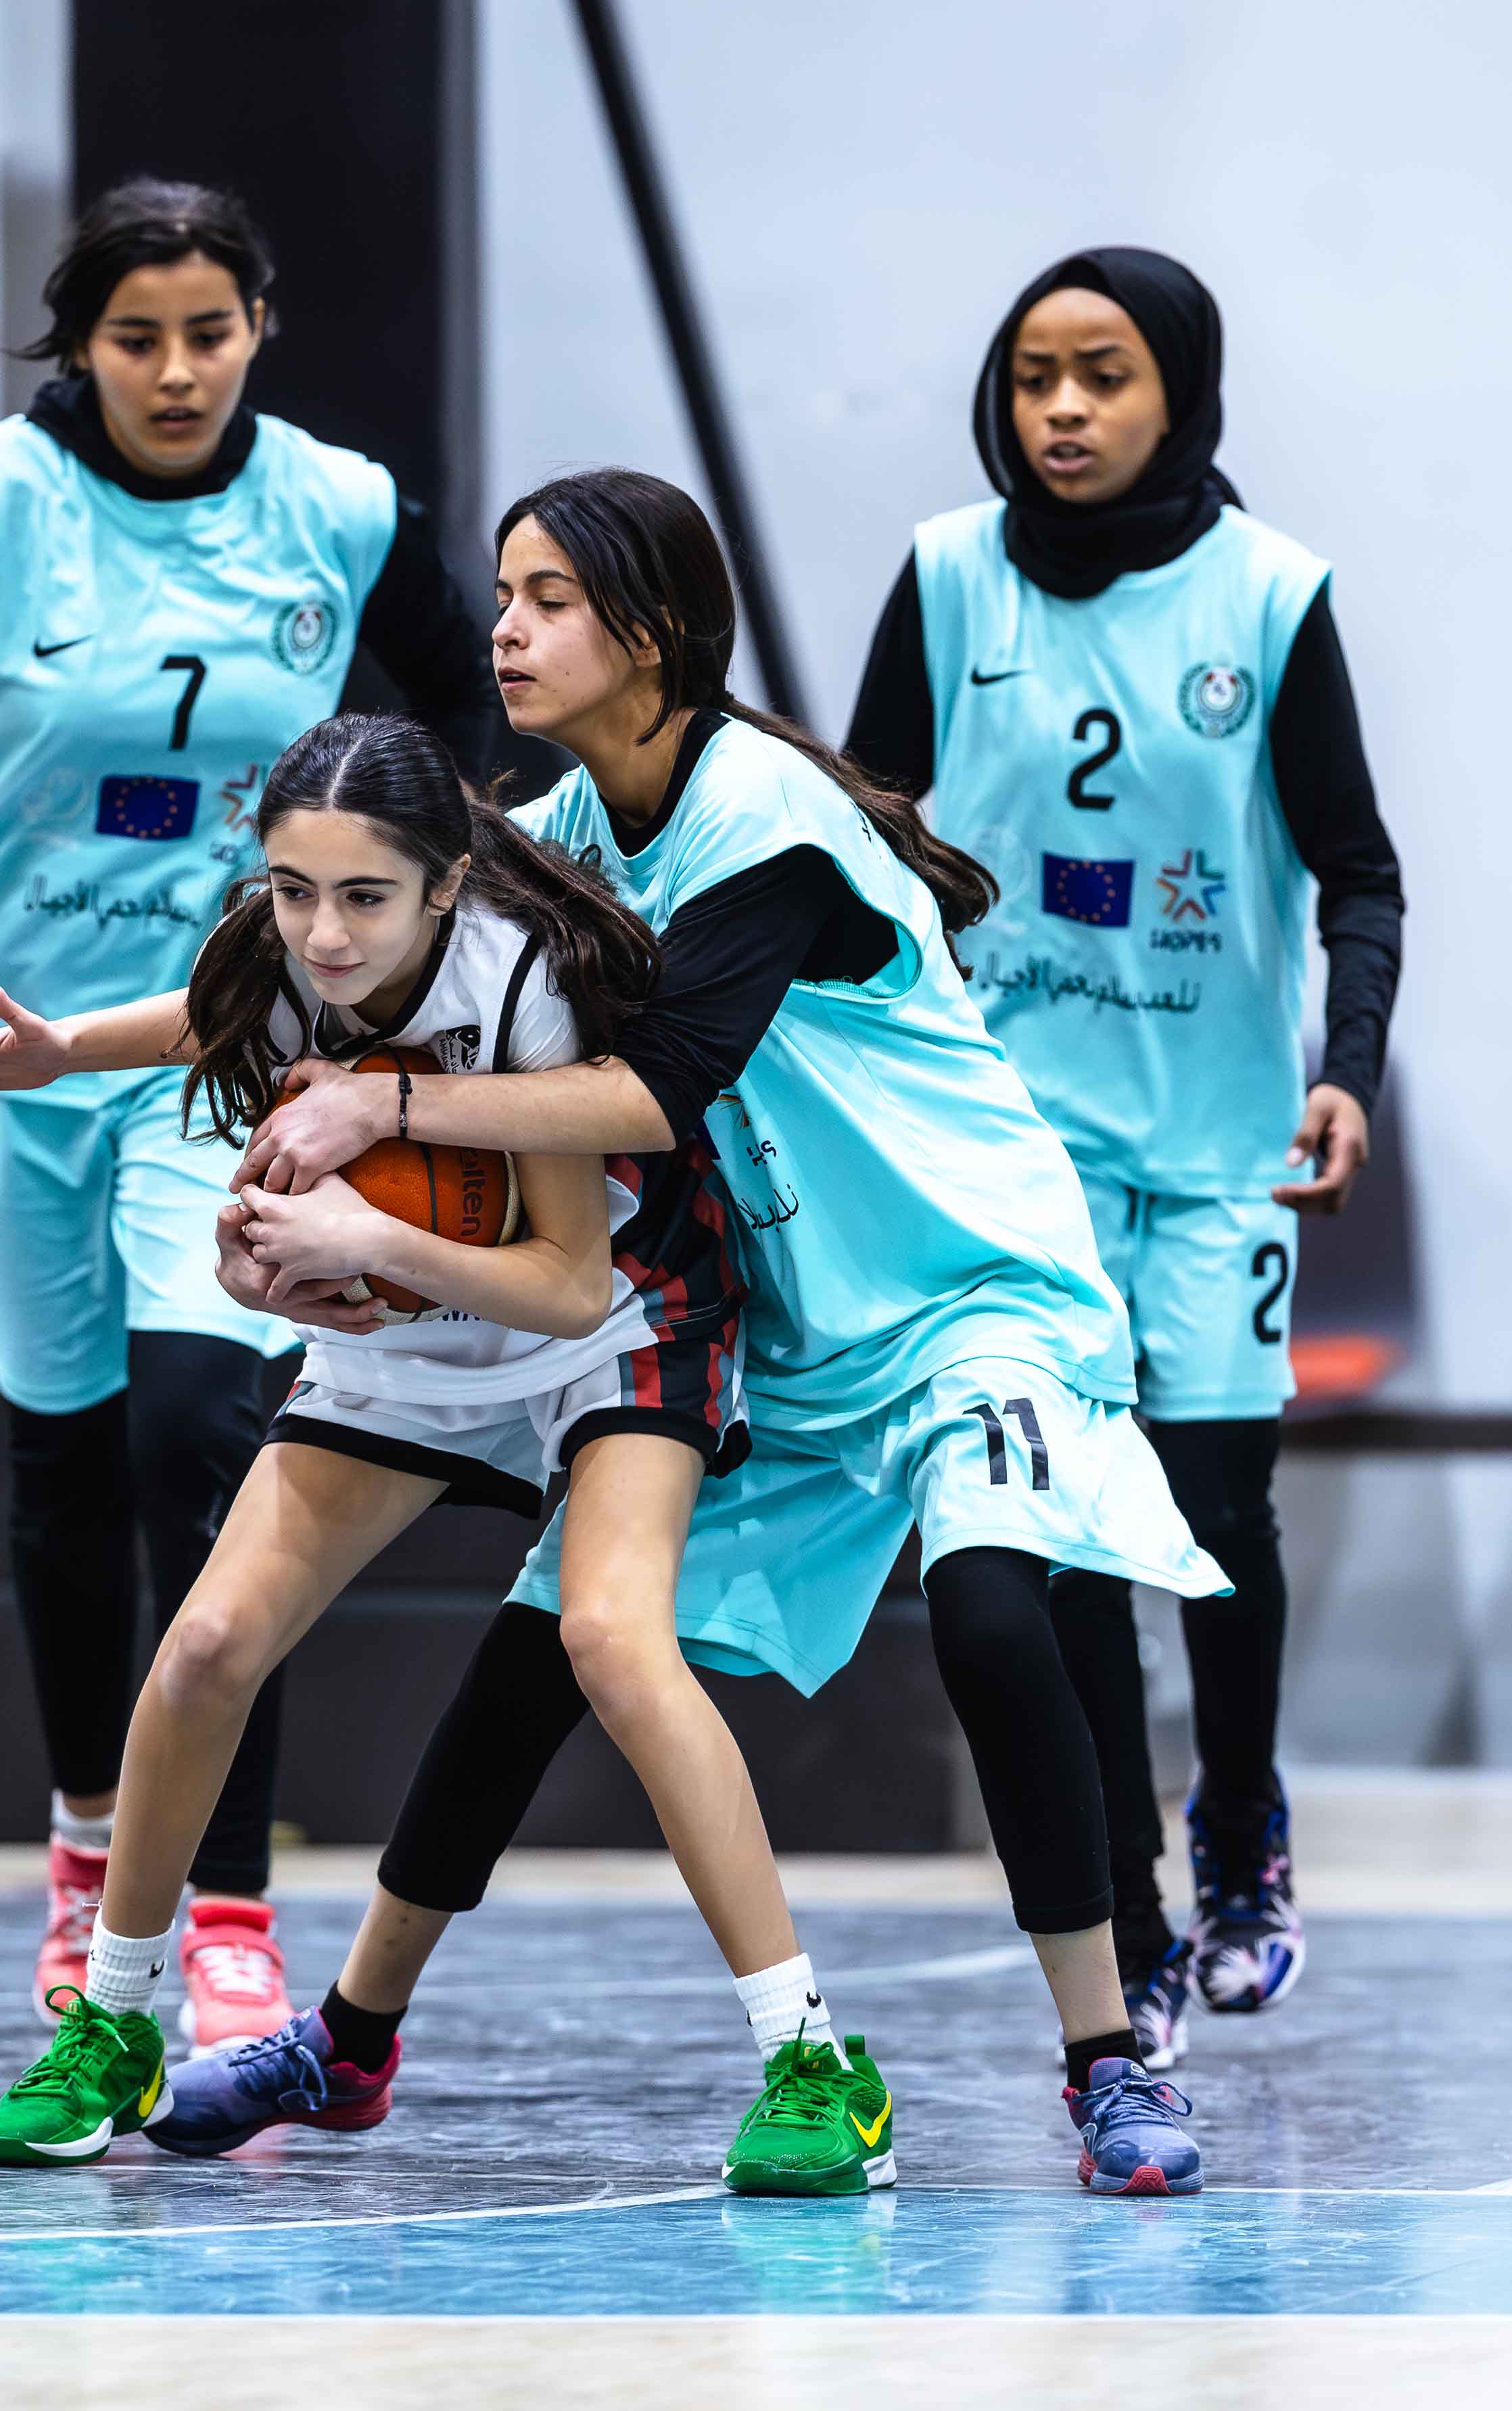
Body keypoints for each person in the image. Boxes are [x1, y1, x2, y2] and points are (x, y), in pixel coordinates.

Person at [227, 468, 1225, 2197]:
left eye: (547, 599)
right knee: (550, 1637)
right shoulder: (565, 824)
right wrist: (60, 1051)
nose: (504, 629)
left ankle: (1109, 2062)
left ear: (657, 633)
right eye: (503, 594)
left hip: (968, 1291)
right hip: (798, 1326)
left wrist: (379, 1103)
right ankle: (350, 2038)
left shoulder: (763, 814)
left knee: (994, 1614)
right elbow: (318, 939)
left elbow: (657, 1089)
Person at [0, 710, 893, 2194]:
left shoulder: (526, 974)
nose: (326, 934)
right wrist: (67, 1067)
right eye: (295, 891)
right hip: (411, 1332)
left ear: (445, 883)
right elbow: (212, 1022)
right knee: (208, 1643)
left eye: (364, 897)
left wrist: (367, 1237)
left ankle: (813, 2059)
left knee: (612, 1642)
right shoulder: (277, 950)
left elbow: (563, 1281)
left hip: (616, 1312)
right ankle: (116, 2021)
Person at [0, 177, 498, 2050]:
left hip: (224, 1050)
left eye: (207, 333)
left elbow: (481, 727)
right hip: (2, 1044)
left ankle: (221, 1899)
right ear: (77, 341)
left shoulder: (335, 507)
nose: (173, 370)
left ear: (259, 329)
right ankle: (88, 1848)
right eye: (133, 337)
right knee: (65, 1462)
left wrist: (413, 938)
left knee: (199, 1429)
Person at [845, 247, 1405, 2064]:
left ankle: (1237, 1819)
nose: (1063, 410)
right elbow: (858, 845)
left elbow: (1358, 873)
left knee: (1217, 1513)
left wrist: (1345, 1070)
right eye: (1033, 378)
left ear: (1178, 392)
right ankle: (1135, 1913)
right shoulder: (947, 576)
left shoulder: (1268, 595)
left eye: (1102, 375)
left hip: (1221, 1150)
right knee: (1067, 1529)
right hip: (1017, 1159)